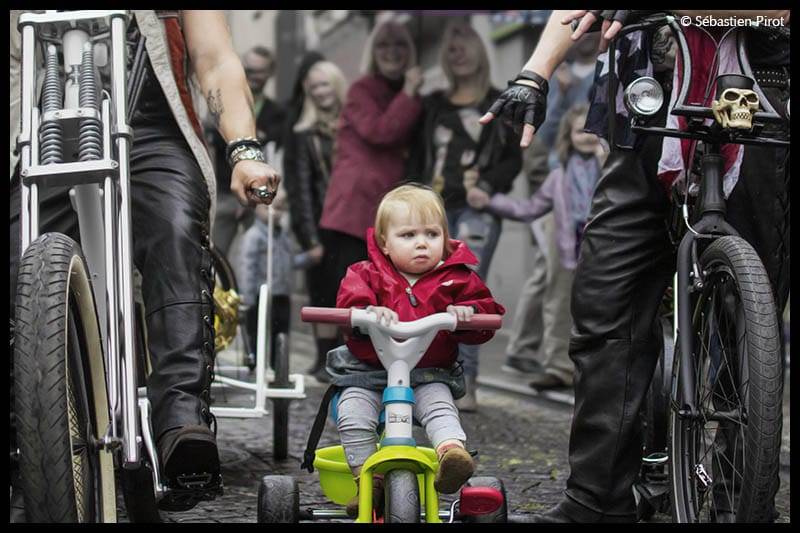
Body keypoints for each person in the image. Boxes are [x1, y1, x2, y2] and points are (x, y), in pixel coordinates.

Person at [480, 9, 790, 522]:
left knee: (747, 321)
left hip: (760, 97)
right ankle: (596, 502)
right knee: (606, 302)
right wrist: (533, 74)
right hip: (651, 105)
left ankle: (742, 503)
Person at [9, 10, 280, 513]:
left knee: (174, 230)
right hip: (32, 130)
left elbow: (216, 59)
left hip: (151, 129)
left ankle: (181, 422)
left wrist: (242, 148)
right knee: (20, 255)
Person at [328, 183, 505, 516]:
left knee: (440, 408)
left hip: (428, 372)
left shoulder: (457, 279)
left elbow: (487, 313)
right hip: (369, 373)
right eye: (408, 235)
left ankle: (451, 455)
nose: (422, 243)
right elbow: (349, 302)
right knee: (352, 413)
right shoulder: (365, 274)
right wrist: (366, 311)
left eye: (432, 234)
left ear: (445, 236)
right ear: (385, 242)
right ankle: (368, 481)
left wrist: (468, 313)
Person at [408, 21, 522, 410]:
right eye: (450, 48)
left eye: (464, 45)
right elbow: (415, 155)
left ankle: (468, 381)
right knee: (427, 292)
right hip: (431, 213)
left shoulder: (500, 102)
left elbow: (512, 159)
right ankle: (432, 378)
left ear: (480, 51)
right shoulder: (433, 105)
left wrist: (487, 187)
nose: (457, 53)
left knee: (468, 292)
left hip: (476, 212)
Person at [472, 103, 605, 389]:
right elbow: (529, 209)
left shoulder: (608, 166)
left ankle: (597, 369)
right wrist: (492, 202)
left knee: (599, 307)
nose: (586, 135)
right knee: (557, 305)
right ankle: (559, 368)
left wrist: (604, 157)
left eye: (591, 129)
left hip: (602, 247)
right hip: (567, 246)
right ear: (568, 136)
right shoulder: (558, 176)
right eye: (579, 130)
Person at [317, 20, 424, 324]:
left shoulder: (409, 93)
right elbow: (381, 131)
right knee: (354, 294)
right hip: (354, 211)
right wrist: (409, 92)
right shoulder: (362, 90)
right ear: (373, 52)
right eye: (384, 45)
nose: (392, 52)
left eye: (400, 44)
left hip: (386, 209)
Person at [284, 60, 349, 382]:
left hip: (352, 220)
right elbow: (300, 188)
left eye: (325, 84)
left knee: (351, 290)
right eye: (314, 87)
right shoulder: (303, 133)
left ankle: (348, 352)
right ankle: (325, 355)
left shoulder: (354, 125)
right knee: (322, 291)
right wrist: (309, 238)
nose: (321, 92)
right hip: (322, 224)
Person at [207, 45, 286, 258]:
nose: (252, 76)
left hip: (261, 198)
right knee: (217, 256)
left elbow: (277, 157)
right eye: (248, 70)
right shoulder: (224, 105)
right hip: (224, 192)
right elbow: (212, 148)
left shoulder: (278, 114)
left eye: (258, 71)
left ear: (270, 73)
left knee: (258, 257)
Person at [238, 187, 318, 370]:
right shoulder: (254, 237)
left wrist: (308, 258)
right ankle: (253, 364)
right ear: (257, 209)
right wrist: (247, 296)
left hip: (282, 292)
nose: (274, 213)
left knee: (280, 331)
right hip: (260, 294)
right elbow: (247, 266)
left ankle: (278, 367)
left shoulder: (283, 236)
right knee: (255, 331)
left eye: (280, 209)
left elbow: (290, 262)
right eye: (268, 208)